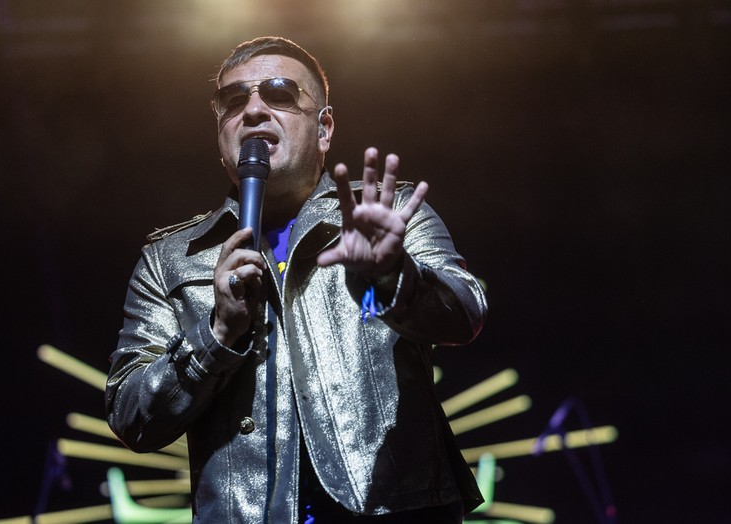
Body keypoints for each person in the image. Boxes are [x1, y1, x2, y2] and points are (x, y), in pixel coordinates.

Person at [106, 36, 487, 523]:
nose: (253, 110)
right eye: (233, 100)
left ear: (324, 129)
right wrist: (216, 336)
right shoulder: (171, 259)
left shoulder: (386, 214)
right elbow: (131, 417)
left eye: (280, 94)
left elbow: (467, 314)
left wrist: (392, 275)